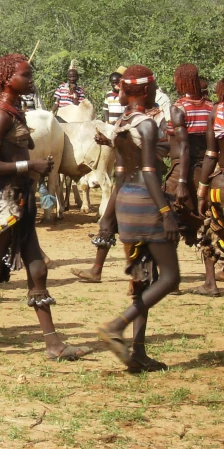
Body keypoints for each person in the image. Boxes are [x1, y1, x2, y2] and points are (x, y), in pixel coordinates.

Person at [0, 53, 89, 361]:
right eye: (25, 76)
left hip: (21, 198)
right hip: (4, 201)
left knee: (38, 269)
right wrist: (30, 163)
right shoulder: (1, 115)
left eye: (30, 76)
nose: (30, 81)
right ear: (5, 80)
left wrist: (34, 170)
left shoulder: (14, 113)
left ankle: (53, 344)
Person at [97, 65, 180, 372]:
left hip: (126, 206)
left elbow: (119, 175)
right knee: (171, 278)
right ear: (145, 90)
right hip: (147, 204)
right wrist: (166, 213)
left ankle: (138, 355)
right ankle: (116, 326)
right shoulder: (145, 125)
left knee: (142, 281)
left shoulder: (121, 124)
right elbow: (148, 173)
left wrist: (109, 218)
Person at [71, 93, 169, 284]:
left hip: (142, 182)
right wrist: (109, 142)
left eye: (124, 90)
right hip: (124, 181)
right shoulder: (127, 118)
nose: (120, 94)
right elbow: (126, 148)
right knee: (107, 222)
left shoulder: (153, 119)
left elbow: (161, 150)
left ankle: (161, 276)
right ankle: (96, 270)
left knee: (145, 228)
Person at [163, 63, 217, 295]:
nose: (174, 82)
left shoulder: (179, 108)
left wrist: (182, 182)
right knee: (207, 223)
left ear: (182, 81)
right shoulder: (211, 107)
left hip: (182, 171)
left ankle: (172, 282)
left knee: (170, 220)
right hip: (207, 171)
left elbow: (183, 147)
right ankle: (210, 282)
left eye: (177, 78)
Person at [198, 80, 224, 289]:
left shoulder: (218, 111)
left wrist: (202, 188)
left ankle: (210, 283)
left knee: (210, 228)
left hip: (220, 186)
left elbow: (211, 154)